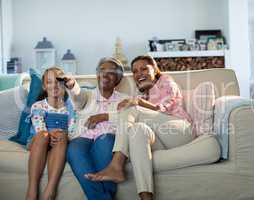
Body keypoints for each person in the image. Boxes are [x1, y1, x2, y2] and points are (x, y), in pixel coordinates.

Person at [85, 55, 221, 200]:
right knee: (137, 131)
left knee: (131, 109)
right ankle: (146, 196)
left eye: (144, 69)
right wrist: (136, 102)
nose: (139, 74)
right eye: (135, 71)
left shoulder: (166, 81)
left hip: (180, 130)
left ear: (155, 70)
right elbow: (129, 119)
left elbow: (162, 108)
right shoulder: (140, 94)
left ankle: (116, 164)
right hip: (161, 138)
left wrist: (132, 105)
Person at [65, 57, 128, 200]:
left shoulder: (124, 99)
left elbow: (129, 118)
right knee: (73, 149)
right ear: (97, 75)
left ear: (118, 79)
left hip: (107, 136)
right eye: (102, 70)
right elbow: (77, 97)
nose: (105, 74)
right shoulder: (87, 95)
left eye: (111, 72)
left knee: (105, 142)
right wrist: (72, 85)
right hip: (83, 137)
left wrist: (104, 116)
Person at [26, 67, 76, 200]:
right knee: (43, 135)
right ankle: (32, 189)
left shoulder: (69, 108)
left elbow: (72, 129)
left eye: (58, 82)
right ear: (44, 86)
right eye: (49, 82)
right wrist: (49, 133)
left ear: (64, 84)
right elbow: (39, 128)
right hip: (39, 140)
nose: (54, 85)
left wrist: (62, 135)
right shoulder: (38, 106)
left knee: (62, 134)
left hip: (59, 142)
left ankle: (50, 189)